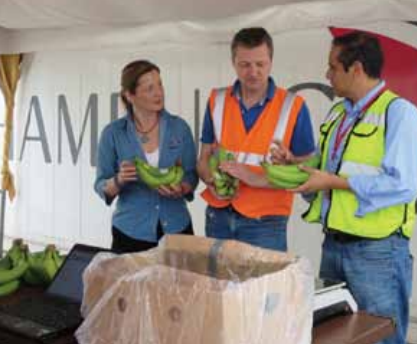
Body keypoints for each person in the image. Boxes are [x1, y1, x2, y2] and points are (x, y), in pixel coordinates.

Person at [289, 32, 417, 344]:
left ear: (356, 69)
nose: (327, 74)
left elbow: (402, 184)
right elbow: (330, 165)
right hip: (333, 246)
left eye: (333, 67)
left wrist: (332, 182)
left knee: (380, 337)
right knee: (331, 335)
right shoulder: (338, 112)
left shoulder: (399, 113)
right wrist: (296, 161)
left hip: (378, 254)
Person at [197, 27, 316, 252]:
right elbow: (203, 158)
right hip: (218, 215)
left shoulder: (294, 106)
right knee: (218, 287)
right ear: (234, 63)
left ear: (271, 62)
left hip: (266, 222)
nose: (253, 72)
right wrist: (210, 180)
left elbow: (306, 172)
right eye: (245, 65)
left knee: (263, 288)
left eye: (260, 64)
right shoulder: (217, 100)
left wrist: (254, 178)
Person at [94, 60, 198, 254]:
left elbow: (191, 174)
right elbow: (101, 185)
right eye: (150, 88)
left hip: (177, 228)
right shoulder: (113, 133)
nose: (159, 93)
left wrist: (183, 187)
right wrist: (119, 180)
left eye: (160, 84)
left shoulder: (180, 128)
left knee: (179, 285)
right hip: (130, 232)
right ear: (129, 95)